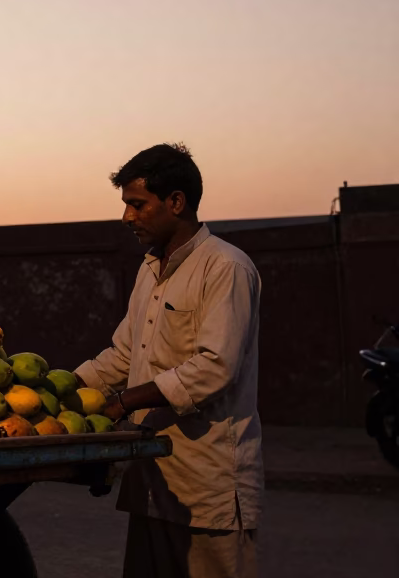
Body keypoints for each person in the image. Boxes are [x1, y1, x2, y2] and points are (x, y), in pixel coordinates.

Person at [75, 144, 262, 578]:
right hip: (155, 480)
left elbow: (215, 366)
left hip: (208, 482)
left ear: (175, 202)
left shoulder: (226, 268)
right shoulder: (149, 270)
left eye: (137, 205)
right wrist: (56, 390)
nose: (127, 218)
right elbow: (123, 355)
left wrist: (124, 402)